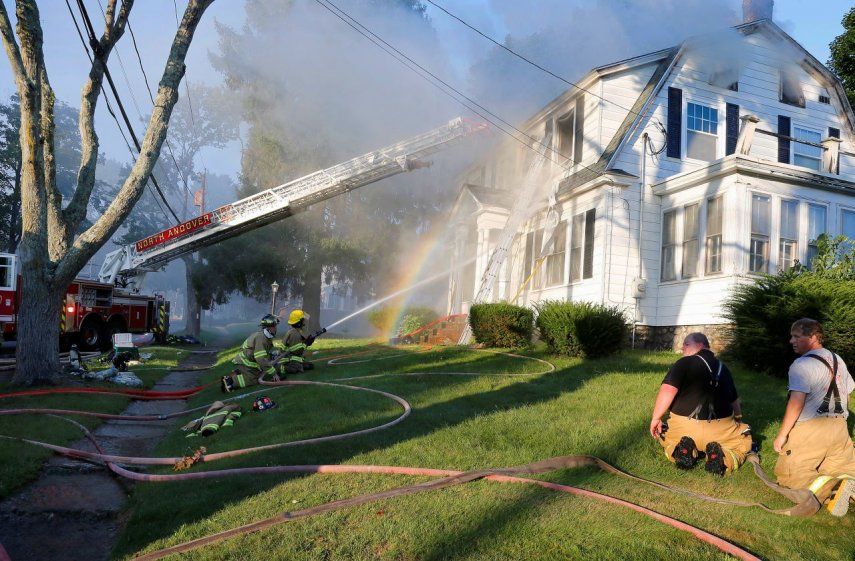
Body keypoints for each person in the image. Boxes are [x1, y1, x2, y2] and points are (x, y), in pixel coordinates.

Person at [773, 318, 855, 517]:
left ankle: (834, 489)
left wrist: (782, 435)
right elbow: (848, 392)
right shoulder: (838, 359)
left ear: (813, 337)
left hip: (812, 428)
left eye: (796, 336)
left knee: (790, 475)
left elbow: (796, 402)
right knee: (843, 467)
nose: (791, 341)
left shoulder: (801, 365)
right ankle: (848, 483)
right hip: (839, 428)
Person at [650, 332, 752, 476]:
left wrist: (656, 418)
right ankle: (723, 458)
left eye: (686, 344)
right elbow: (734, 400)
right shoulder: (724, 368)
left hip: (684, 428)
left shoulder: (683, 363)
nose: (682, 348)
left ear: (699, 345)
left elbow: (668, 389)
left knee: (666, 437)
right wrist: (738, 419)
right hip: (721, 431)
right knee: (740, 444)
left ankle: (682, 450)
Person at [221, 314, 282, 392]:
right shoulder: (261, 338)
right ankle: (230, 381)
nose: (276, 328)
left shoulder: (265, 337)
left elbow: (262, 354)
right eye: (274, 326)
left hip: (248, 362)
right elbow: (261, 359)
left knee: (260, 374)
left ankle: (239, 373)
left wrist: (271, 356)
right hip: (244, 363)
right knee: (254, 380)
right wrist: (274, 373)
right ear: (268, 327)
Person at [277, 309, 318, 374]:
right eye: (303, 319)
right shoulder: (294, 334)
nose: (305, 321)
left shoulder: (298, 330)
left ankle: (298, 365)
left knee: (310, 365)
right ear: (299, 322)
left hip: (293, 358)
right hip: (288, 360)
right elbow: (296, 350)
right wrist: (307, 343)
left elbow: (300, 344)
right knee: (296, 370)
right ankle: (279, 368)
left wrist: (309, 341)